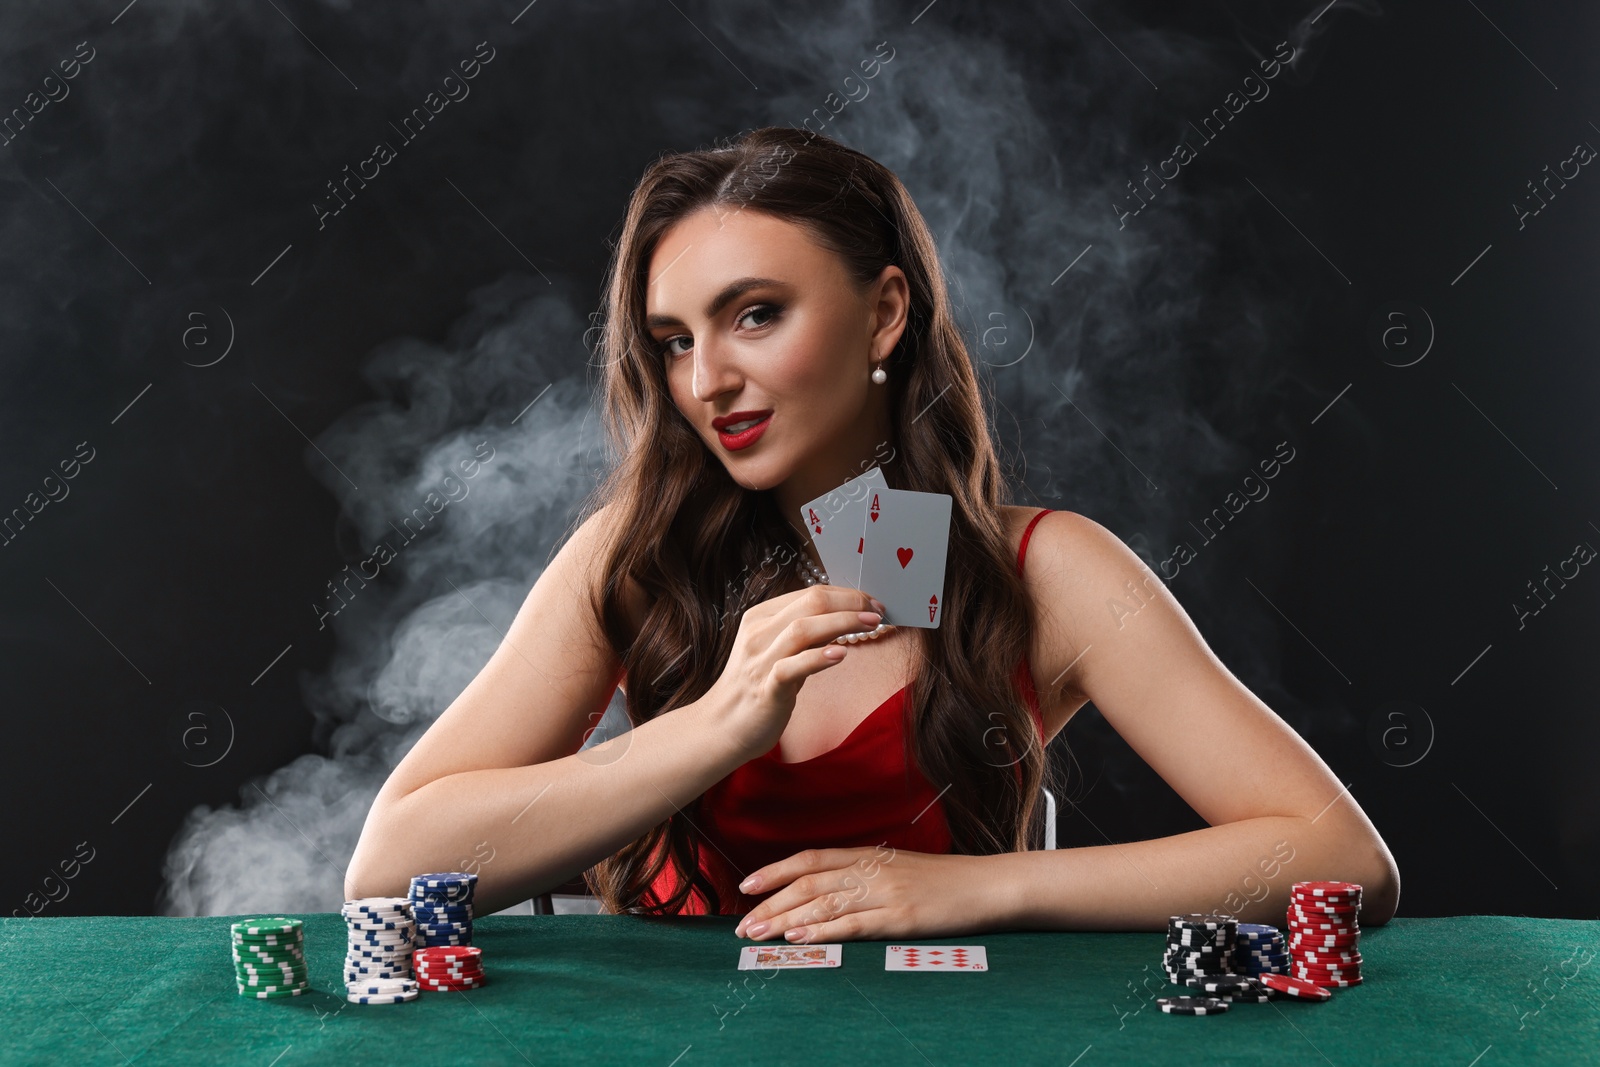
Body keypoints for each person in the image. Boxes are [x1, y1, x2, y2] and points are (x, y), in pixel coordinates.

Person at [346, 127, 1399, 944]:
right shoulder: (636, 552)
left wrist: (979, 888)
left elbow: (1341, 860)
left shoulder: (1048, 570)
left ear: (885, 313)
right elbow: (387, 871)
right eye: (674, 340)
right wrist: (715, 726)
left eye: (754, 313)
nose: (706, 380)